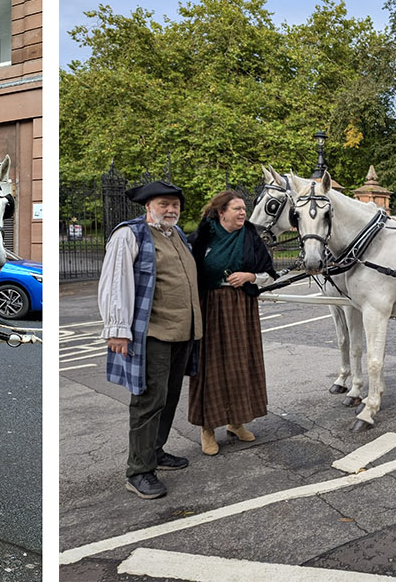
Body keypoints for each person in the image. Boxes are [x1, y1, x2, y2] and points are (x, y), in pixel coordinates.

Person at [99, 181, 203, 499]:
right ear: (148, 206)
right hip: (152, 334)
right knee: (147, 402)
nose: (171, 210)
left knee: (168, 397)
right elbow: (115, 282)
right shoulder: (130, 234)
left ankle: (155, 452)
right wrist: (117, 329)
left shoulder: (177, 235)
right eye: (163, 204)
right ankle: (139, 471)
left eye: (175, 205)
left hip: (182, 333)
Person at [186, 191, 276, 456]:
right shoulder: (202, 237)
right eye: (236, 208)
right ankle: (207, 429)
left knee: (241, 365)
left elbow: (269, 275)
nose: (242, 213)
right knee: (210, 367)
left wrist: (250, 276)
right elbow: (188, 273)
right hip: (211, 307)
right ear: (220, 212)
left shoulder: (250, 236)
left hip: (242, 307)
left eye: (243, 208)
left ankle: (236, 422)